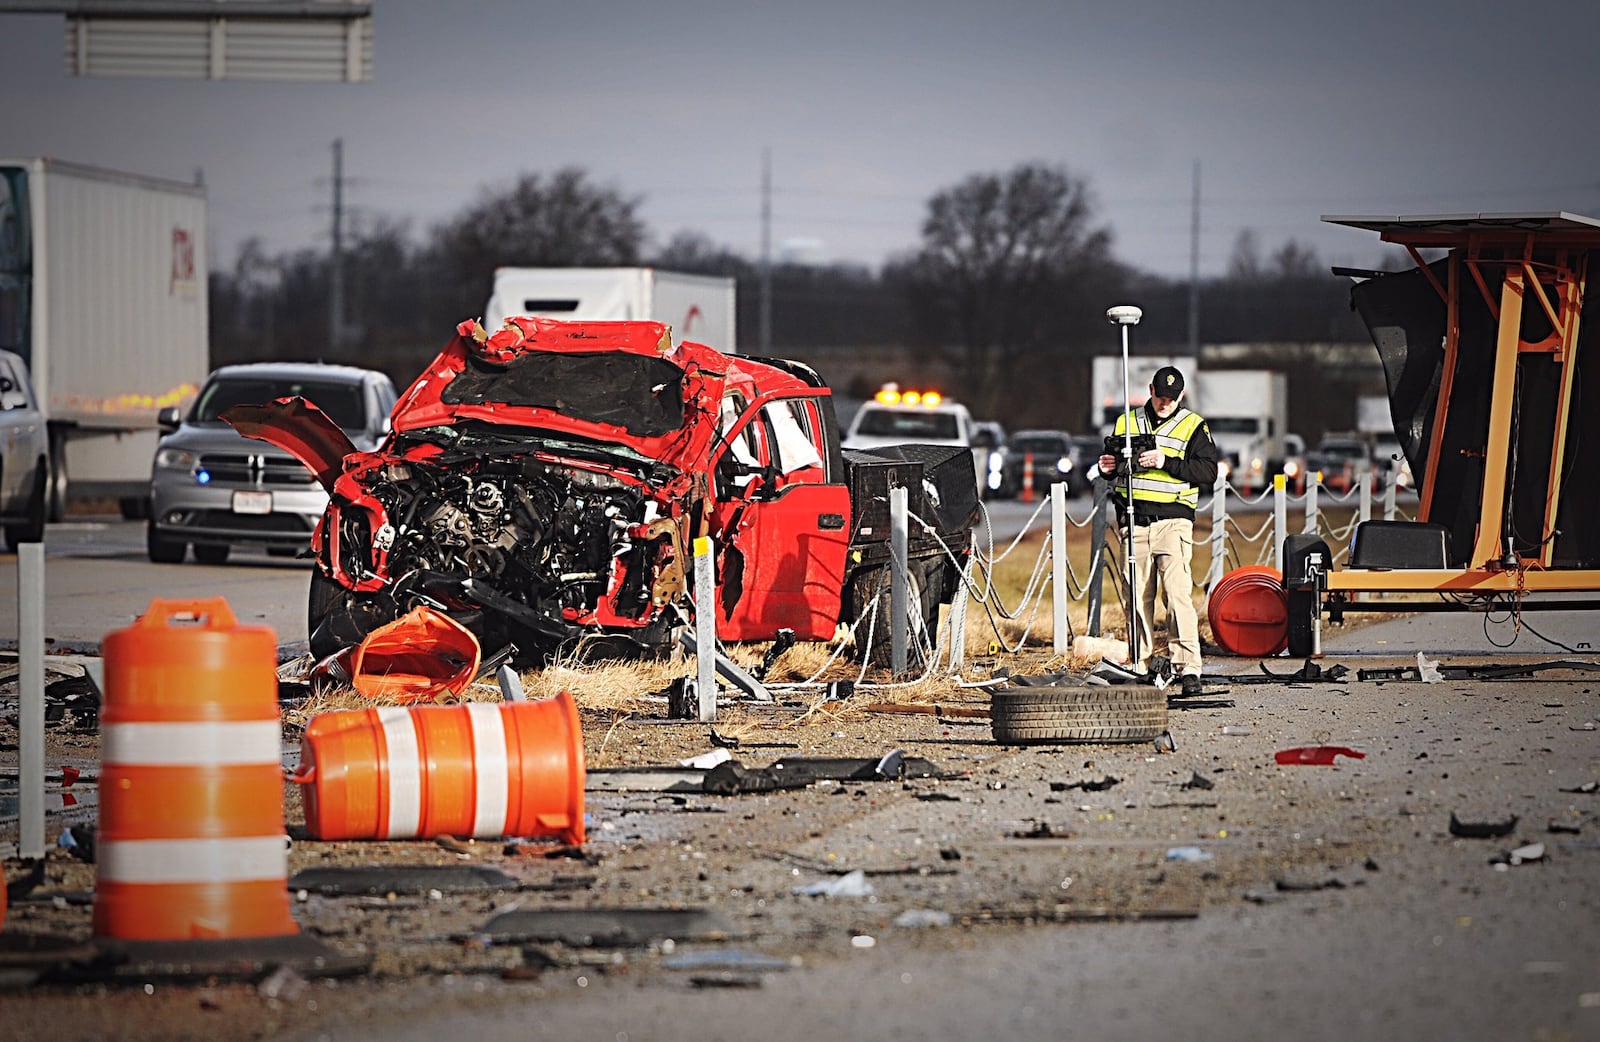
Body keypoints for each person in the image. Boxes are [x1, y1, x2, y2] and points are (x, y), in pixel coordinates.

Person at [1097, 365, 1219, 697]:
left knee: (1177, 595)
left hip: (1173, 522)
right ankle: (1140, 663)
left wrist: (1166, 461)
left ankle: (1188, 667)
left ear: (1181, 395)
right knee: (1136, 597)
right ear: (1150, 389)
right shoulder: (1127, 421)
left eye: (1171, 398)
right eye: (1159, 396)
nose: (1164, 403)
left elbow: (1208, 470)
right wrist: (1105, 467)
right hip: (1135, 522)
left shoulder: (1194, 426)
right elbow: (1115, 463)